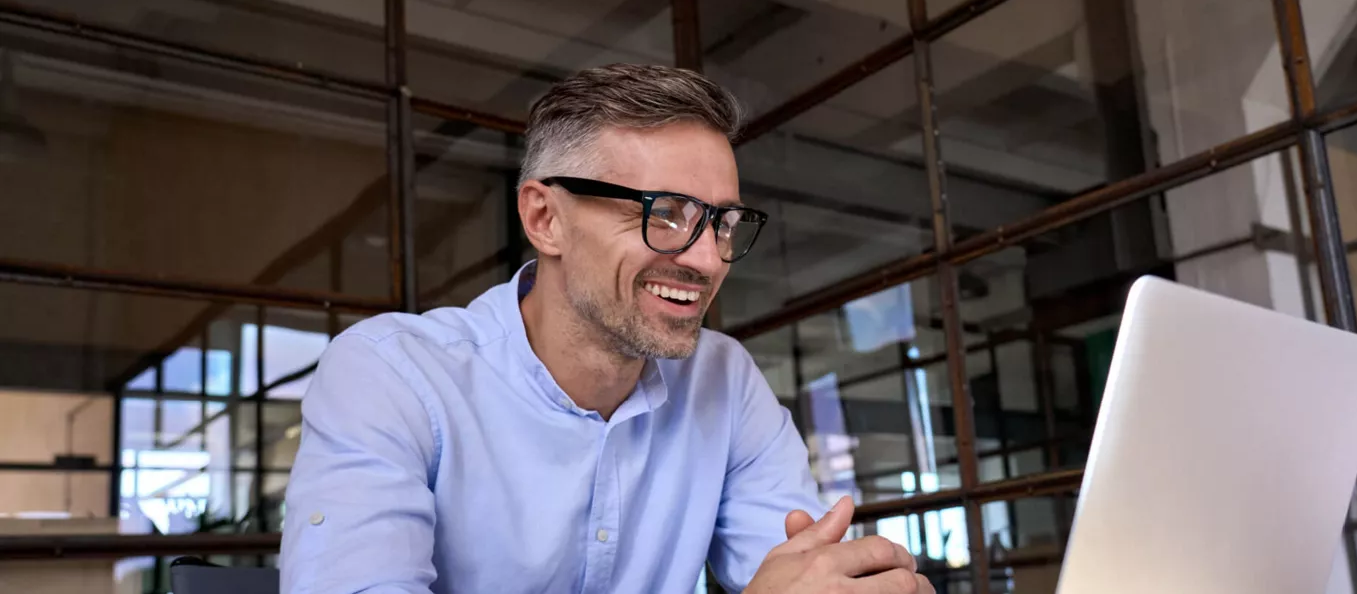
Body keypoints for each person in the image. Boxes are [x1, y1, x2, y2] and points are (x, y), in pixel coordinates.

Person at [278, 64, 935, 594]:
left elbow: (805, 574)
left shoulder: (723, 381)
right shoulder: (391, 375)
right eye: (664, 214)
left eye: (723, 223)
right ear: (545, 219)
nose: (707, 259)